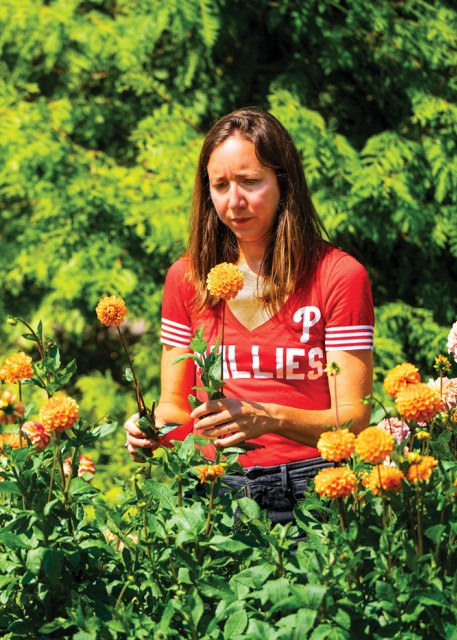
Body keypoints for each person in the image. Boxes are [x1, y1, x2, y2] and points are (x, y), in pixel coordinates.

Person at [125, 107, 374, 524]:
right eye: (219, 185)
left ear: (284, 183)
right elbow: (174, 406)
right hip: (211, 491)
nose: (233, 201)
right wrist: (151, 432)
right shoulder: (186, 278)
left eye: (251, 182)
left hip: (313, 486)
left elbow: (353, 419)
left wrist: (268, 416)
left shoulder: (339, 275)